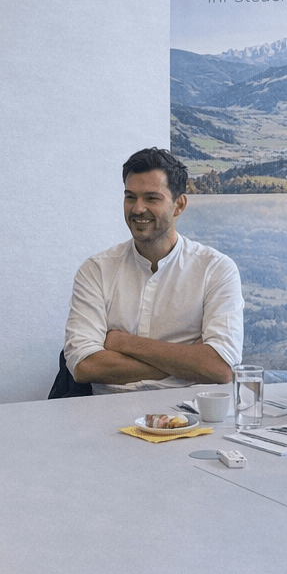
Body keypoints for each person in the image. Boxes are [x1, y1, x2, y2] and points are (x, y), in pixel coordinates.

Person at [64, 147, 243, 393]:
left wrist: (124, 342)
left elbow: (220, 368)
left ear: (179, 205)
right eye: (130, 197)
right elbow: (85, 366)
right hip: (107, 410)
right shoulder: (96, 270)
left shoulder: (216, 269)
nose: (138, 209)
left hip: (187, 410)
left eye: (151, 198)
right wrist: (190, 360)